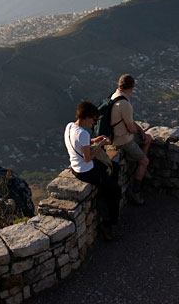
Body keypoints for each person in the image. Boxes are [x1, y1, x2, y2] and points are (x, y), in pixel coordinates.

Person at [64, 101, 121, 240]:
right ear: (87, 117)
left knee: (115, 168)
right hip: (86, 171)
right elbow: (88, 158)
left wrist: (95, 139)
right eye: (93, 119)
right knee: (116, 191)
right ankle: (108, 223)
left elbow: (80, 145)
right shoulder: (82, 133)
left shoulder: (70, 126)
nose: (93, 122)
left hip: (76, 166)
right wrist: (101, 144)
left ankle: (104, 193)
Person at [109, 74, 151, 205]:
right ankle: (135, 191)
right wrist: (139, 130)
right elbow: (131, 129)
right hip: (123, 140)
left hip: (116, 136)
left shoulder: (114, 96)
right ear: (131, 88)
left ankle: (140, 166)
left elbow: (130, 123)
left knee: (148, 138)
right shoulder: (125, 104)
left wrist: (141, 131)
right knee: (145, 161)